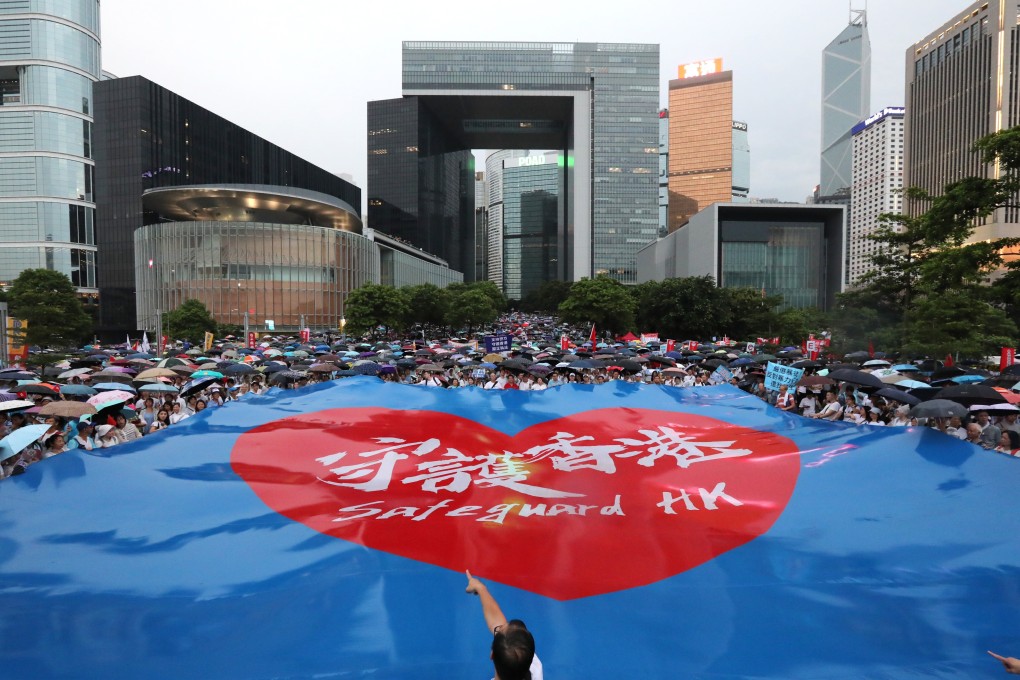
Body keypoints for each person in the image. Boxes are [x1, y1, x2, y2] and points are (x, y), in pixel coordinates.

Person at [464, 570, 543, 680]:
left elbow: (498, 624)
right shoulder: (533, 668)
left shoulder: (530, 662)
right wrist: (480, 588)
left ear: (492, 655)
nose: (500, 625)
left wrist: (479, 587)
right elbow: (496, 622)